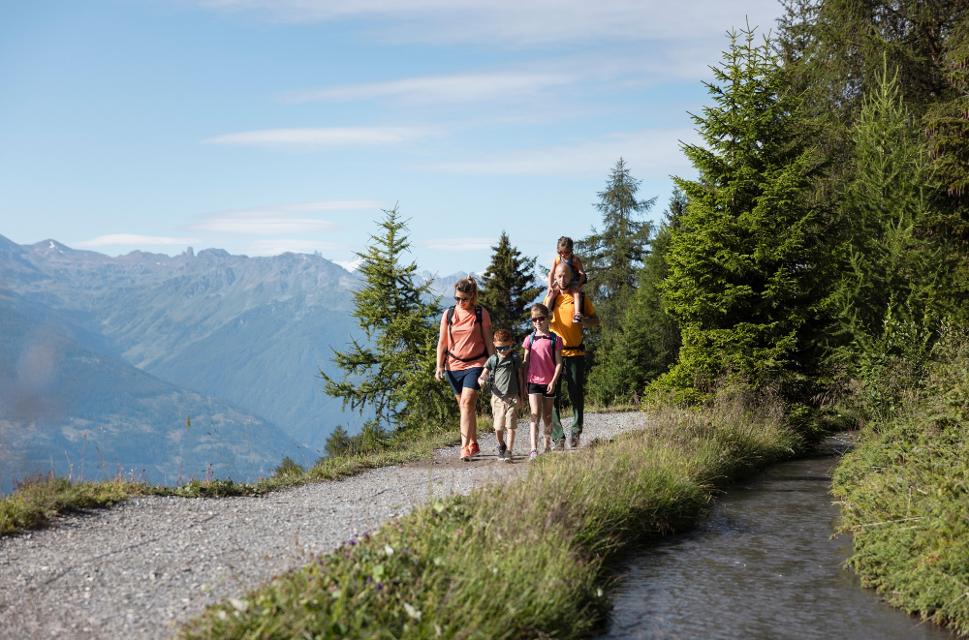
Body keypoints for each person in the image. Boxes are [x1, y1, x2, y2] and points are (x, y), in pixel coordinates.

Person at [435, 276, 494, 461]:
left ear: (473, 296)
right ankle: (473, 442)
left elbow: (488, 341)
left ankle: (464, 448)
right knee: (465, 408)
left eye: (464, 299)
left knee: (467, 403)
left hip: (476, 364)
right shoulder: (449, 314)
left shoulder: (480, 313)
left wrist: (493, 365)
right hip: (453, 366)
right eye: (457, 298)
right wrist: (439, 366)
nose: (461, 302)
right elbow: (442, 342)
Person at [546, 261, 598, 450]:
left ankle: (576, 430)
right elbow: (540, 321)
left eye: (565, 275)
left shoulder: (581, 298)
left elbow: (595, 321)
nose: (562, 279)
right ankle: (558, 437)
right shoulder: (551, 298)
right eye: (559, 276)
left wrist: (584, 320)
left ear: (572, 276)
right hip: (554, 353)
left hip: (576, 351)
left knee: (576, 393)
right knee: (552, 395)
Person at [522, 303, 563, 461]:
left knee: (547, 415)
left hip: (549, 382)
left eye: (541, 318)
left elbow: (559, 363)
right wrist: (523, 383)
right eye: (534, 319)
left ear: (548, 319)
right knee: (534, 414)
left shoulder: (555, 339)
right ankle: (533, 449)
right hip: (533, 382)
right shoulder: (529, 339)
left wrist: (554, 381)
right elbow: (526, 362)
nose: (538, 322)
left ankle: (547, 446)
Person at [477, 328, 526, 462]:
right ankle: (502, 445)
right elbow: (483, 374)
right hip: (497, 399)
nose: (503, 351)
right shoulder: (493, 359)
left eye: (506, 347)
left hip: (512, 398)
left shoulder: (514, 358)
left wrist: (521, 395)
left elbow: (520, 378)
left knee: (510, 426)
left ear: (511, 343)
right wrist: (481, 380)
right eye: (499, 348)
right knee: (498, 428)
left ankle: (509, 452)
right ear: (494, 344)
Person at [546, 236, 588, 324]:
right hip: (560, 281)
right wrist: (550, 286)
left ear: (571, 251)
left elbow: (582, 274)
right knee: (551, 294)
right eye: (560, 252)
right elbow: (551, 274)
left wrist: (579, 284)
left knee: (576, 294)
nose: (563, 254)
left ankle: (577, 314)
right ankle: (546, 313)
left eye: (566, 252)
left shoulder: (575, 260)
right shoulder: (557, 259)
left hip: (572, 281)